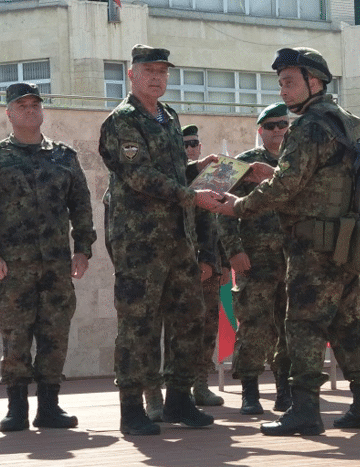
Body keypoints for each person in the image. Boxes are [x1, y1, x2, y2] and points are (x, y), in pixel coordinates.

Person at [196, 47, 360, 436]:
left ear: (315, 82)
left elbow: (288, 186)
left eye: (289, 82)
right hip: (345, 240)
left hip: (313, 244)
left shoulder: (308, 125)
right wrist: (275, 173)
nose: (283, 90)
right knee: (349, 320)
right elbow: (336, 181)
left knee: (303, 323)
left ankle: (305, 410)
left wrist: (240, 206)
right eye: (280, 83)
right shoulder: (346, 121)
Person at [98, 44, 218, 435]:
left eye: (163, 72)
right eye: (149, 71)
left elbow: (167, 172)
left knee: (189, 317)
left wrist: (195, 169)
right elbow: (140, 177)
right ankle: (132, 407)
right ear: (131, 74)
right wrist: (189, 194)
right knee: (139, 323)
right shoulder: (122, 121)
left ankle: (179, 398)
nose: (157, 78)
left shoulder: (169, 117)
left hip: (178, 239)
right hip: (140, 243)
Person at [0, 82, 97, 432]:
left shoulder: (64, 156)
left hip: (56, 266)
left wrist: (83, 249)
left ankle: (49, 407)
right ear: (9, 112)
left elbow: (81, 206)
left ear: (42, 110)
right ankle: (17, 408)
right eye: (21, 106)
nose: (29, 110)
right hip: (13, 267)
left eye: (35, 104)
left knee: (55, 335)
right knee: (16, 337)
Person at [218, 102, 292, 415]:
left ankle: (285, 390)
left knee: (289, 328)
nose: (277, 130)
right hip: (254, 260)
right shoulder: (244, 163)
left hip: (292, 260)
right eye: (271, 125)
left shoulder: (294, 164)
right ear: (259, 130)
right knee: (254, 327)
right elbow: (221, 205)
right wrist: (233, 249)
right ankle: (250, 391)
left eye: (282, 124)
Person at [181, 123, 227, 407]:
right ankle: (176, 388)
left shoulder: (211, 179)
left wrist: (215, 263)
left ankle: (200, 384)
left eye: (195, 143)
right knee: (179, 328)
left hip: (209, 264)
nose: (191, 148)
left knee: (209, 324)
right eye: (185, 144)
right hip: (178, 265)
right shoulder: (171, 181)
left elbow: (217, 220)